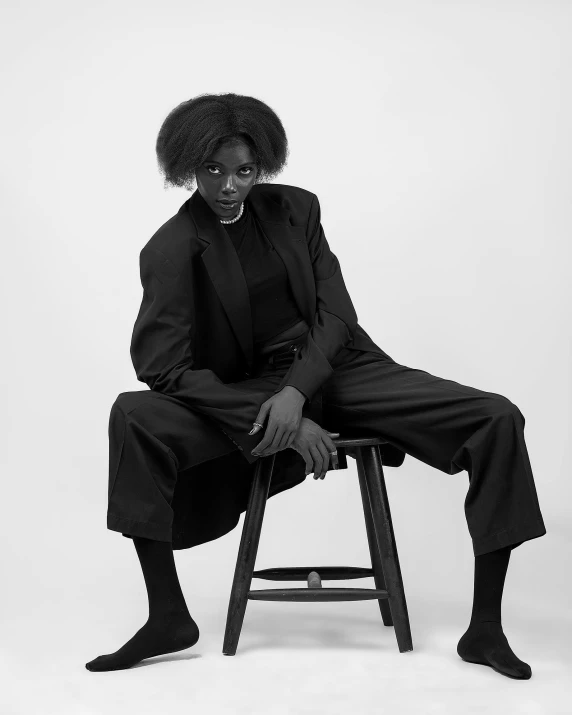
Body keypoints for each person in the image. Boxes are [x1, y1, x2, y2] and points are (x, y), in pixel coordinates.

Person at [86, 93, 546, 677]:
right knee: (133, 414)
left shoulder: (296, 210)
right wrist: (278, 412)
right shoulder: (173, 248)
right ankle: (166, 615)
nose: (229, 185)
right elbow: (163, 367)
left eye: (244, 171)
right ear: (187, 168)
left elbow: (337, 317)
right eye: (214, 170)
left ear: (264, 166)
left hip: (338, 368)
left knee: (496, 417)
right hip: (253, 389)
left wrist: (298, 394)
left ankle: (484, 630)